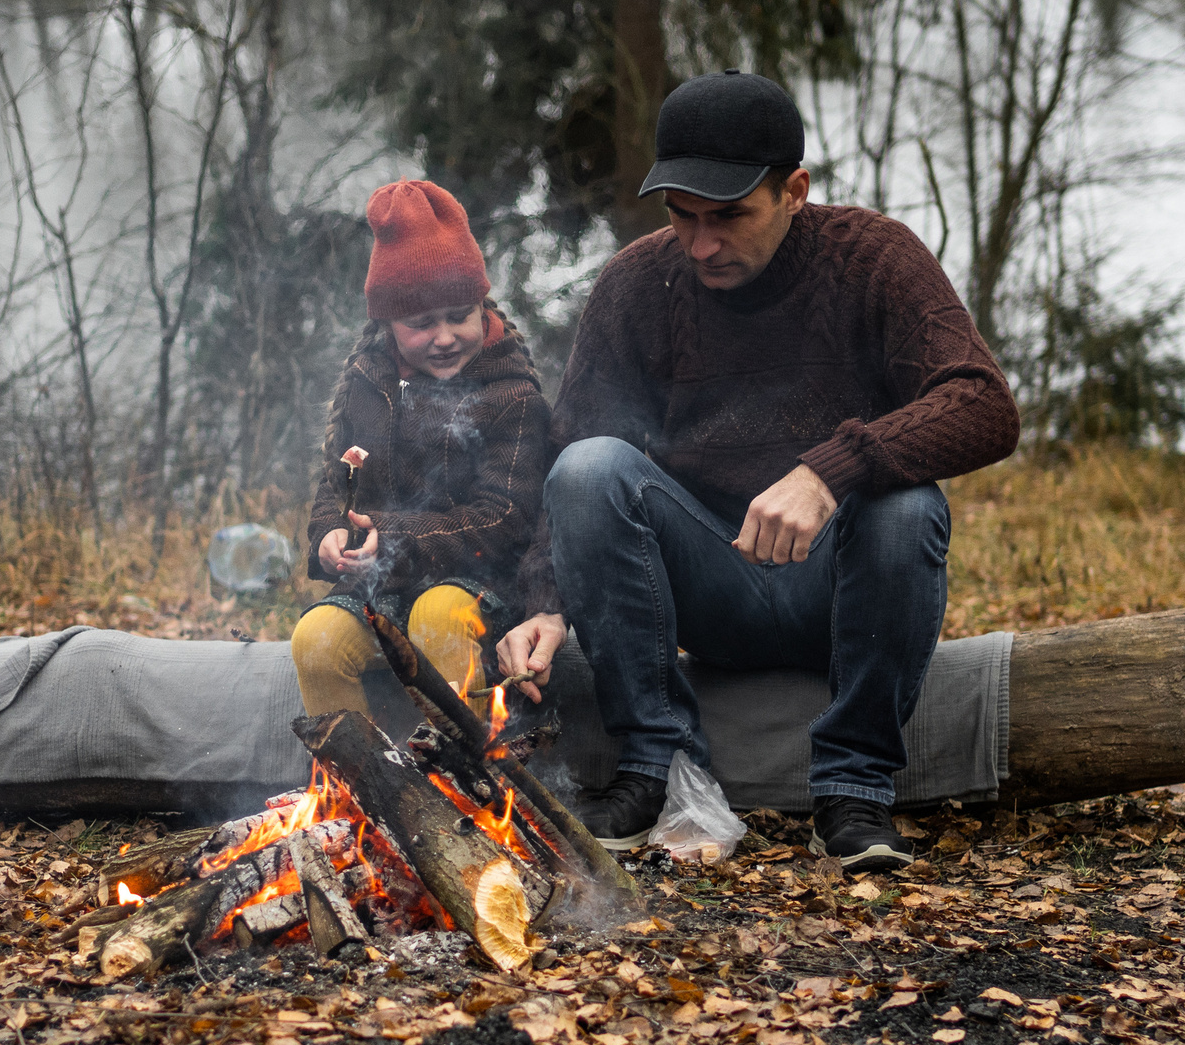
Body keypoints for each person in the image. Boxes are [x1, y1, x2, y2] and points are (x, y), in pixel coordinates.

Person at [496, 72, 1019, 867]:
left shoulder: (874, 258)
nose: (702, 244)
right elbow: (575, 451)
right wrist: (544, 600)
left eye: (729, 216)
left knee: (906, 503)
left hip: (842, 586)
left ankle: (852, 787)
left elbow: (984, 402)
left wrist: (831, 470)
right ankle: (653, 766)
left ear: (794, 190)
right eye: (683, 216)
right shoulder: (640, 282)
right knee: (586, 467)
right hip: (707, 585)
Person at [292, 180, 553, 722]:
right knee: (316, 640)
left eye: (460, 314)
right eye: (420, 323)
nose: (444, 336)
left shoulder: (512, 396)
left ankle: (467, 785)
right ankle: (355, 792)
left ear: (482, 303)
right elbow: (338, 484)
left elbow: (504, 520)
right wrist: (329, 536)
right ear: (386, 324)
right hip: (381, 584)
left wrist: (393, 537)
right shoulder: (367, 386)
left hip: (480, 586)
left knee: (438, 617)